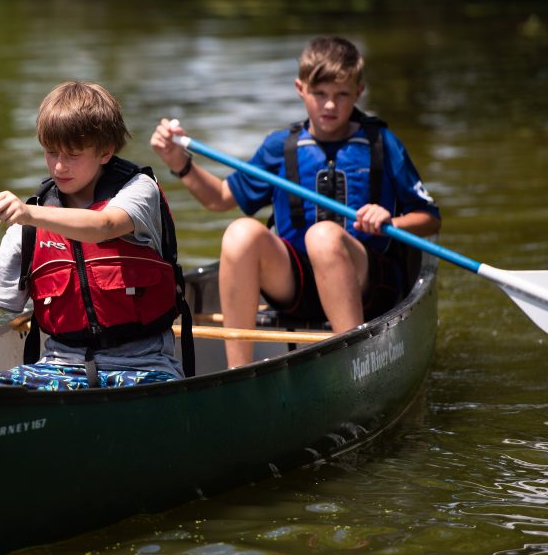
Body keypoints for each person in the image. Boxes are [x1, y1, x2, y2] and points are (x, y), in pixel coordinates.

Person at [150, 35, 441, 368]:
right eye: (320, 94)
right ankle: (237, 371)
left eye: (341, 95)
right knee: (240, 232)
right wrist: (179, 163)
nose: (330, 105)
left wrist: (390, 221)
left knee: (323, 235)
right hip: (297, 289)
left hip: (367, 287)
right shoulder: (280, 146)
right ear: (301, 88)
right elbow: (220, 198)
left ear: (358, 93)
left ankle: (354, 364)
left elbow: (428, 217)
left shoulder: (381, 144)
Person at [0, 81, 191, 389]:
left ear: (105, 152)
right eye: (51, 153)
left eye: (73, 154)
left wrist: (27, 214)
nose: (59, 166)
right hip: (59, 367)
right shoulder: (30, 222)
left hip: (145, 366)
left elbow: (104, 225)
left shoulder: (138, 190)